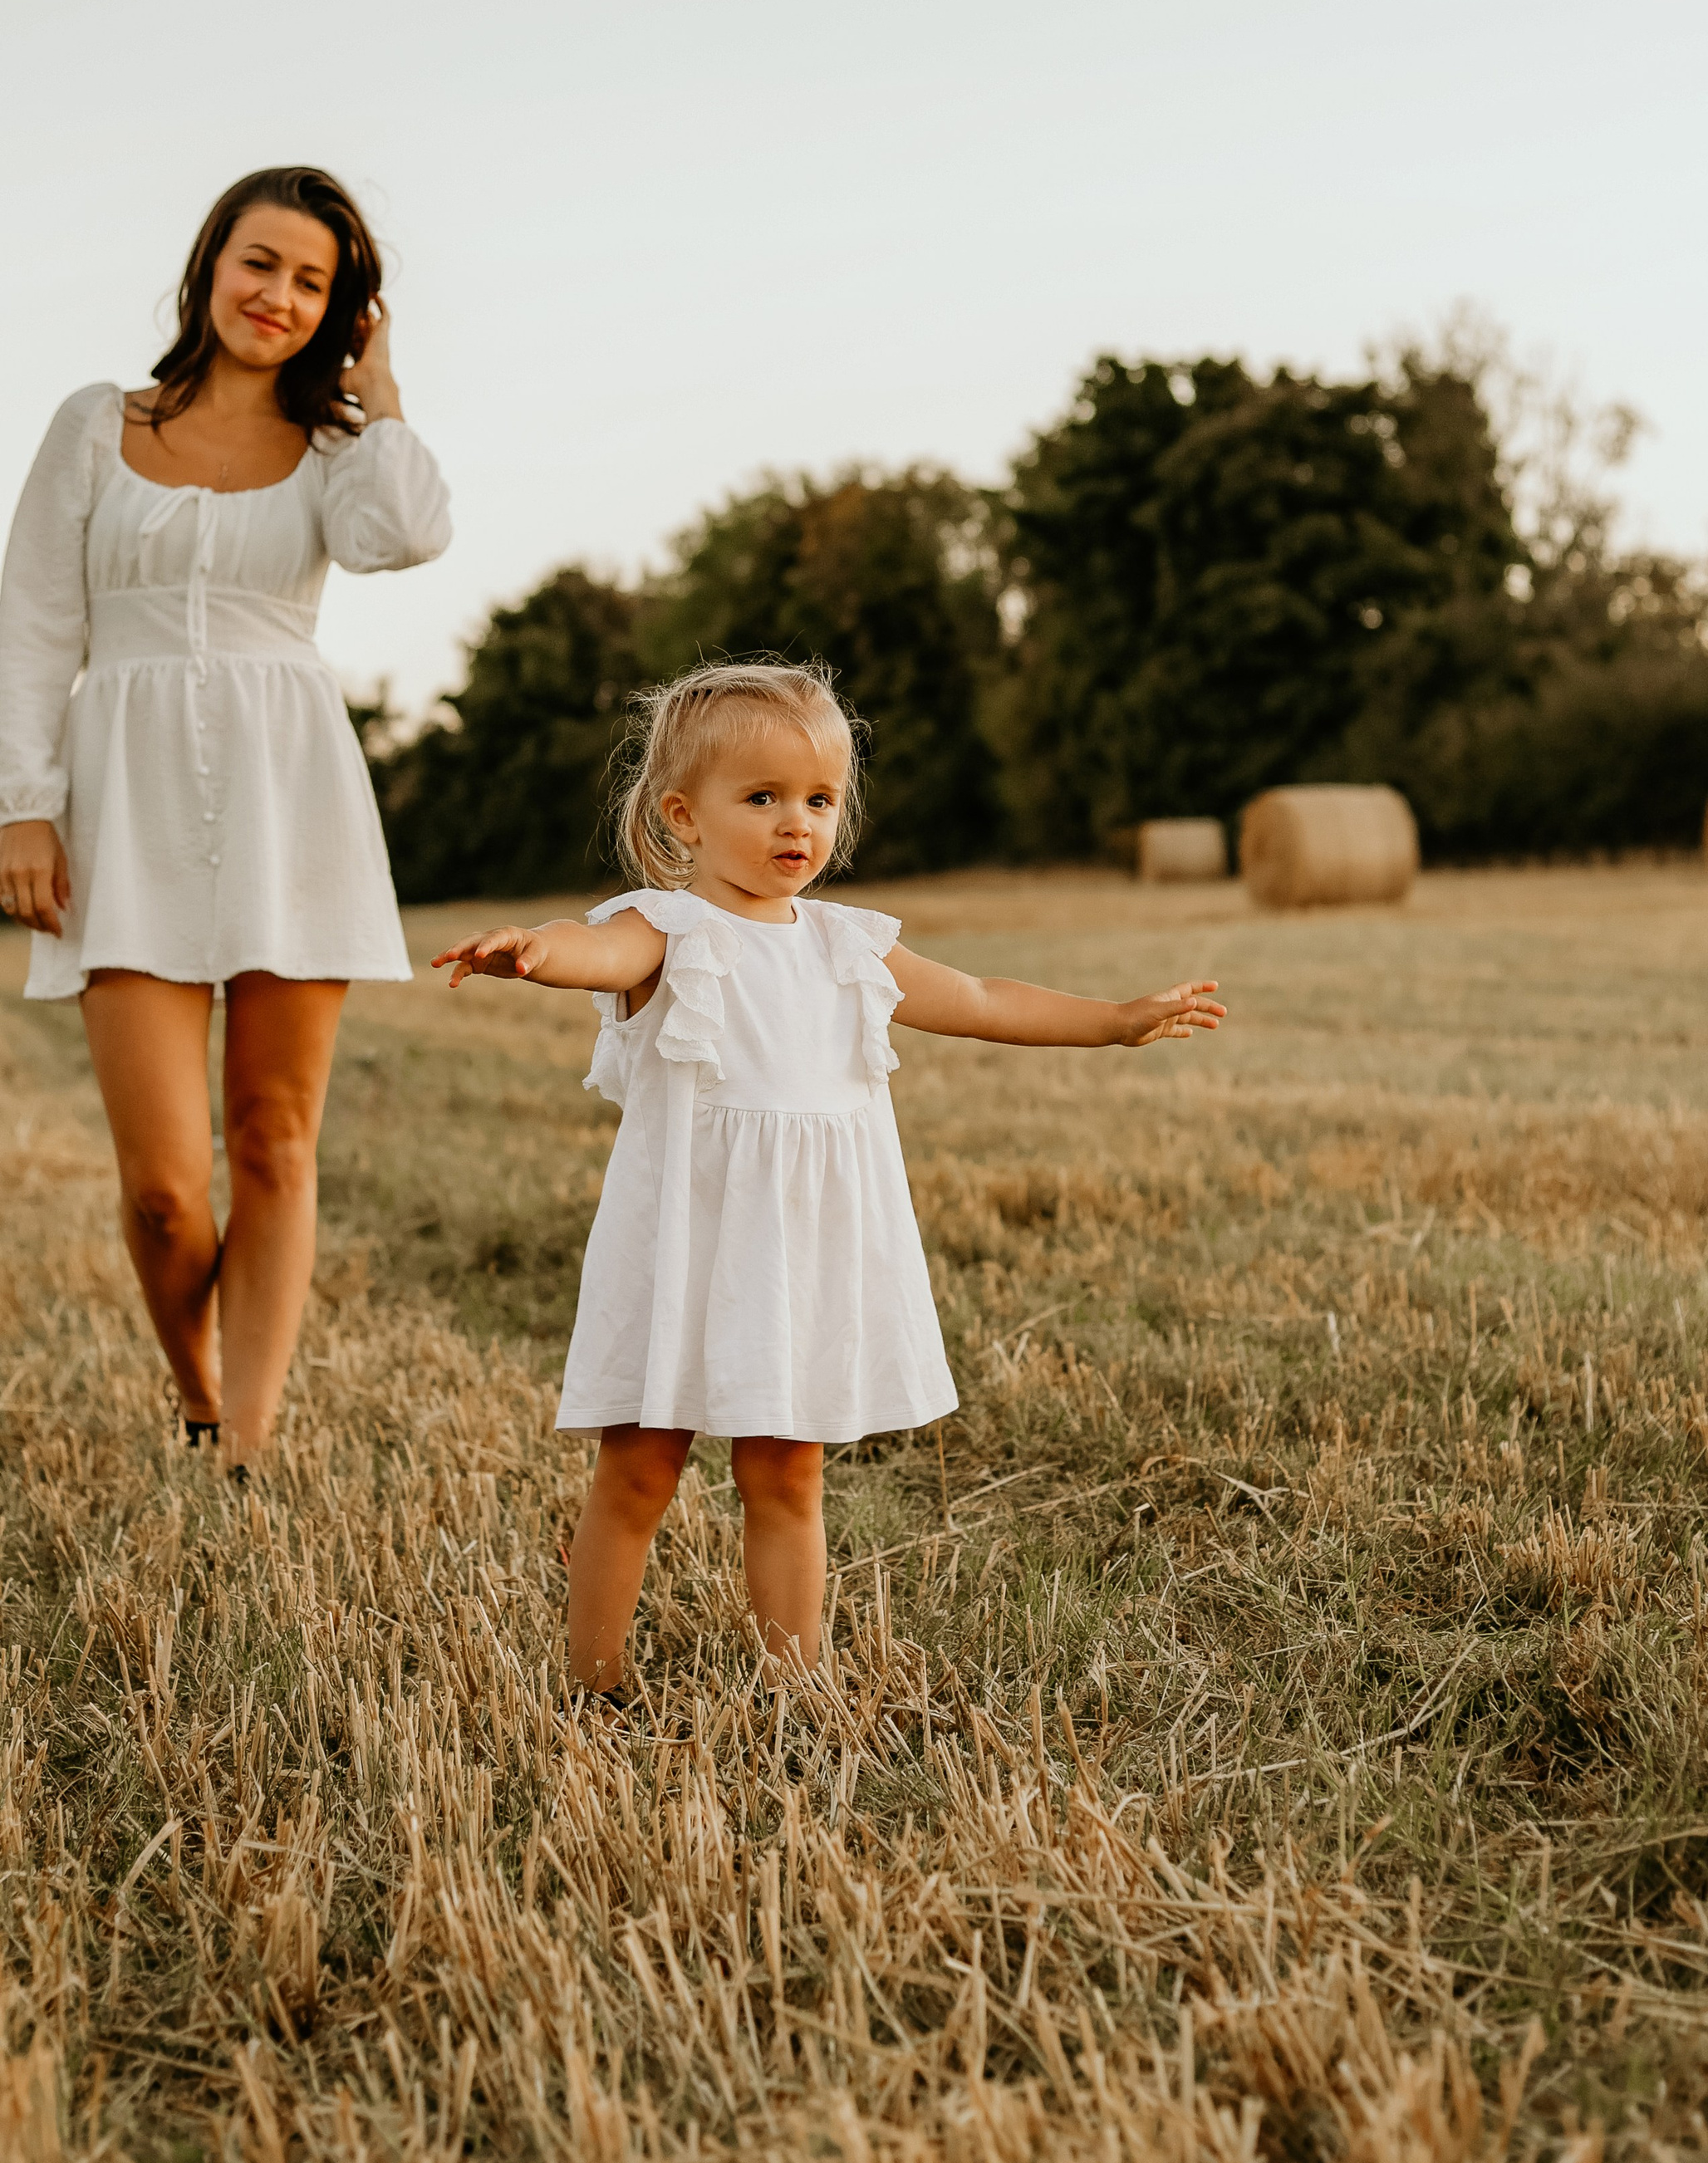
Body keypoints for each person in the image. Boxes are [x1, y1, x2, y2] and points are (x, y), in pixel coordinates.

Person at [433, 660, 1226, 1689]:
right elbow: (592, 950)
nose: (793, 823)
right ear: (684, 814)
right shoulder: (669, 931)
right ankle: (594, 1683)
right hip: (685, 1242)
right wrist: (529, 953)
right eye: (759, 797)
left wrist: (1112, 1022)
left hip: (798, 1258)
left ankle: (792, 1685)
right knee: (637, 1469)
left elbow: (983, 999)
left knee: (789, 1472)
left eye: (816, 799)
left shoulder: (850, 947)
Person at [0, 166, 450, 1474]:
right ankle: (197, 1385)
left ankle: (243, 1444)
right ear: (208, 267)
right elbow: (34, 624)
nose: (280, 297)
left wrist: (386, 385)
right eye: (262, 264)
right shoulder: (96, 423)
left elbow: (406, 538)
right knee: (164, 1187)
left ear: (342, 310)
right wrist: (25, 807)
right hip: (117, 796)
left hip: (286, 788)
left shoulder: (341, 450)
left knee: (275, 1138)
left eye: (316, 282)